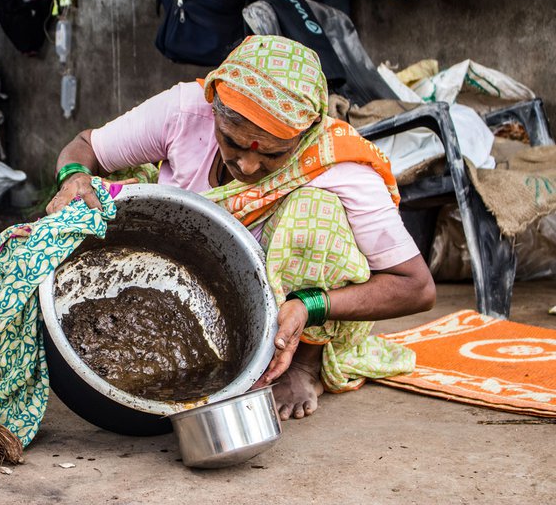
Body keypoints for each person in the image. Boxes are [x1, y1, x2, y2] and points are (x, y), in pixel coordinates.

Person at [47, 36, 435, 420]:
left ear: (307, 131)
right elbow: (86, 146)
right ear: (213, 109)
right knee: (112, 182)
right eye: (231, 142)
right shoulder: (184, 112)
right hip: (174, 262)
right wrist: (74, 177)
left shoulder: (339, 167)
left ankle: (305, 365)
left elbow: (415, 287)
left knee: (314, 213)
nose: (247, 166)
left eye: (271, 152)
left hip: (290, 309)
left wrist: (311, 306)